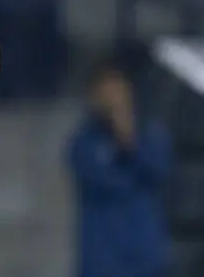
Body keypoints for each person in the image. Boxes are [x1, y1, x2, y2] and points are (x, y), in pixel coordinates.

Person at [67, 62, 172, 277]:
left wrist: (128, 140)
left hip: (145, 256)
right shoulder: (84, 142)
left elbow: (157, 171)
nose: (112, 98)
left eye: (117, 90)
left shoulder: (151, 135)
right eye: (105, 90)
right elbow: (102, 179)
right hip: (102, 259)